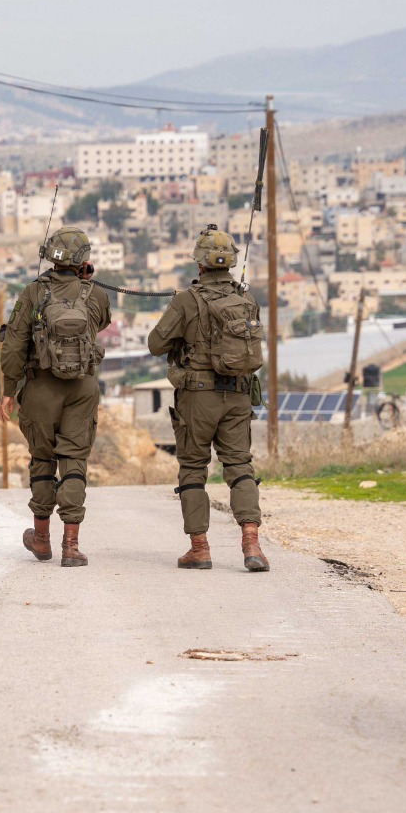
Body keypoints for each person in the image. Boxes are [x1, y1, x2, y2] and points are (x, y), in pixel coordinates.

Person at [147, 224, 269, 572]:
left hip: (198, 399)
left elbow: (156, 345)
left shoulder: (187, 300)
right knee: (240, 466)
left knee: (192, 469)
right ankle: (251, 544)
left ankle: (199, 548)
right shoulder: (246, 298)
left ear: (199, 264)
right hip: (239, 395)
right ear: (230, 262)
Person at [0, 227, 110, 567]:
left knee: (43, 461)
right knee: (74, 462)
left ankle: (42, 540)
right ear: (82, 260)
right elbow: (101, 323)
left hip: (41, 388)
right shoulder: (95, 293)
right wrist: (86, 282)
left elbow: (15, 345)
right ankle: (72, 547)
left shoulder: (33, 293)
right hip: (82, 387)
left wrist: (8, 391)